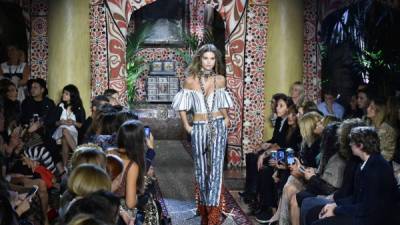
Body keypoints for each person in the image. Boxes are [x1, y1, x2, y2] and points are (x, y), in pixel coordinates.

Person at [172, 44, 233, 225]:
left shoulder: (220, 79)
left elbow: (222, 102)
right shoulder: (190, 80)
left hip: (218, 125)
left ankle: (213, 215)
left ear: (216, 61)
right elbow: (182, 106)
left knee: (215, 170)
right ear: (200, 59)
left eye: (212, 58)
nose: (209, 62)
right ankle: (205, 209)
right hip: (198, 126)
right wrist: (186, 125)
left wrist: (226, 117)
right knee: (201, 170)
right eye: (206, 58)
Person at [311, 126, 399, 225]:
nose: (349, 144)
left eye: (352, 142)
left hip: (375, 219)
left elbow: (368, 208)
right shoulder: (364, 164)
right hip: (364, 212)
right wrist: (335, 205)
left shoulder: (377, 168)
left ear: (360, 145)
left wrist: (336, 210)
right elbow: (357, 198)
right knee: (313, 213)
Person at [51, 84, 86, 167]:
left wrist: (74, 122)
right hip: (60, 130)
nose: (63, 95)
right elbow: (52, 123)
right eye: (63, 93)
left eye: (66, 94)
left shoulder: (79, 108)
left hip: (73, 132)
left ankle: (65, 167)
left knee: (65, 140)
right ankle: (79, 155)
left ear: (72, 95)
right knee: (64, 130)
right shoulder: (60, 106)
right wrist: (60, 122)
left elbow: (82, 125)